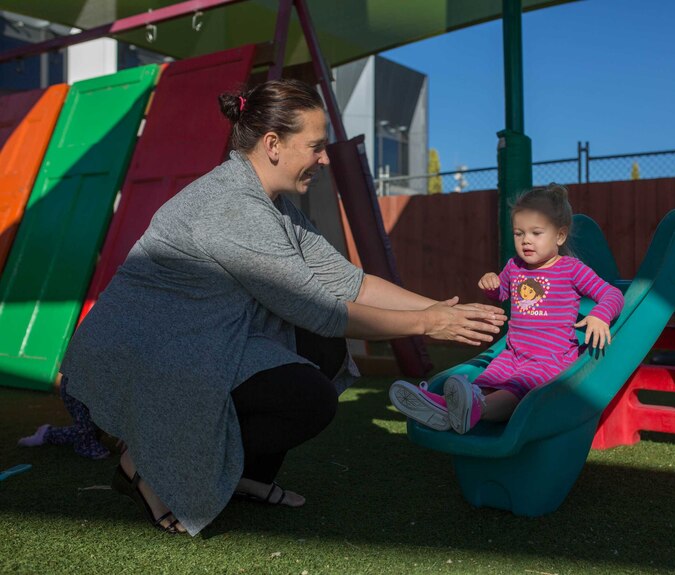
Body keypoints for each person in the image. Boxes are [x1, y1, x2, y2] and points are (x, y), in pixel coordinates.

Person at [59, 79, 505, 536]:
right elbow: (323, 310)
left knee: (325, 351)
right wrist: (428, 324)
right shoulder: (233, 206)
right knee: (308, 398)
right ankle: (147, 463)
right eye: (315, 146)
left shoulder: (274, 205)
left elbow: (348, 281)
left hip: (200, 335)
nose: (325, 158)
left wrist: (442, 308)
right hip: (146, 352)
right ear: (273, 144)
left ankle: (247, 475)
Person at [389, 183, 624, 434]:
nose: (526, 241)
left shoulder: (571, 269)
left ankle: (471, 411)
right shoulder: (514, 266)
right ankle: (442, 408)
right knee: (484, 384)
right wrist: (492, 284)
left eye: (536, 233)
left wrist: (600, 315)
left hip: (548, 359)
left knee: (516, 391)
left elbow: (612, 294)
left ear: (560, 235)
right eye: (518, 233)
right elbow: (502, 293)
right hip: (512, 354)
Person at [17, 375, 109, 460]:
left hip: (97, 383)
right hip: (77, 383)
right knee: (88, 437)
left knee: (94, 430)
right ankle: (82, 443)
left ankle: (47, 433)